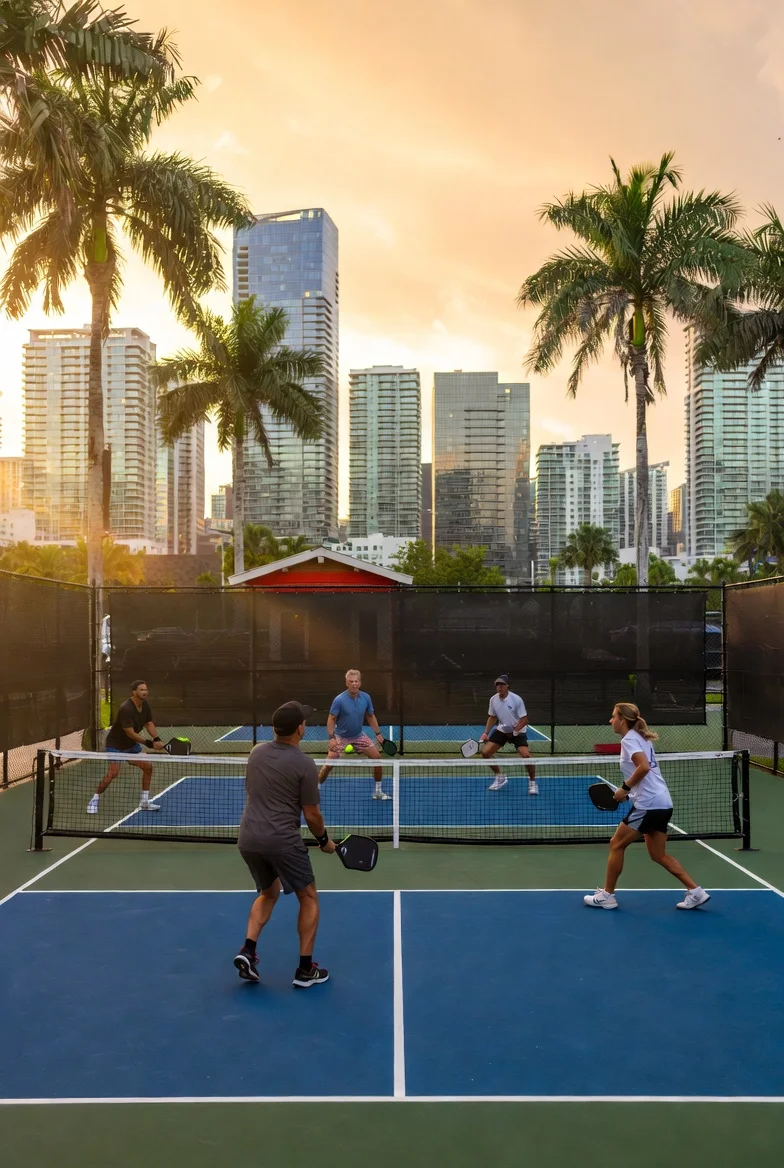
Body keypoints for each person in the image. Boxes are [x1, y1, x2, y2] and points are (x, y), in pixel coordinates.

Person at [234, 701, 336, 988]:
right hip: (282, 841)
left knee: (268, 893)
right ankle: (306, 970)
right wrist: (324, 840)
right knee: (309, 897)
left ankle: (248, 951)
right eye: (304, 721)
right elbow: (312, 814)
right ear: (299, 728)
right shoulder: (304, 763)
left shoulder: (256, 753)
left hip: (249, 839)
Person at [584, 702, 710, 911]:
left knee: (616, 844)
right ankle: (695, 892)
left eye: (613, 716)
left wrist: (625, 788)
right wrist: (629, 793)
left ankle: (608, 896)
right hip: (662, 802)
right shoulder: (641, 738)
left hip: (649, 805)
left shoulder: (629, 740)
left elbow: (643, 767)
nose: (610, 720)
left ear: (622, 720)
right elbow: (645, 773)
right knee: (658, 855)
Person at [86, 680, 165, 814]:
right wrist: (149, 744)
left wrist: (157, 738)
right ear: (134, 692)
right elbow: (130, 733)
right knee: (113, 773)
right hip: (115, 745)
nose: (145, 692)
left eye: (146, 689)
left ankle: (144, 802)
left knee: (148, 766)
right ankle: (94, 799)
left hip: (130, 746)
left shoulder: (145, 705)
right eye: (141, 690)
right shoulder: (126, 708)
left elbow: (148, 723)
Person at [317, 668, 389, 800]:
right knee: (328, 764)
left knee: (377, 758)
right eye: (351, 681)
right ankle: (316, 788)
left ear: (360, 683)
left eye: (356, 681)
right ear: (346, 683)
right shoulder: (339, 700)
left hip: (359, 736)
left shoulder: (366, 697)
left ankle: (378, 792)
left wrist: (377, 733)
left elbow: (370, 715)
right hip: (341, 737)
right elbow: (331, 719)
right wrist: (331, 738)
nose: (354, 684)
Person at [481, 674, 538, 794]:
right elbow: (492, 717)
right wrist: (486, 733)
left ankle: (532, 783)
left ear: (507, 686)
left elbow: (524, 719)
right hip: (502, 730)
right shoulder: (493, 699)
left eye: (502, 684)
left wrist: (516, 731)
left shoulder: (516, 699)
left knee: (526, 755)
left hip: (518, 731)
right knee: (485, 753)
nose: (499, 687)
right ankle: (500, 777)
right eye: (497, 685)